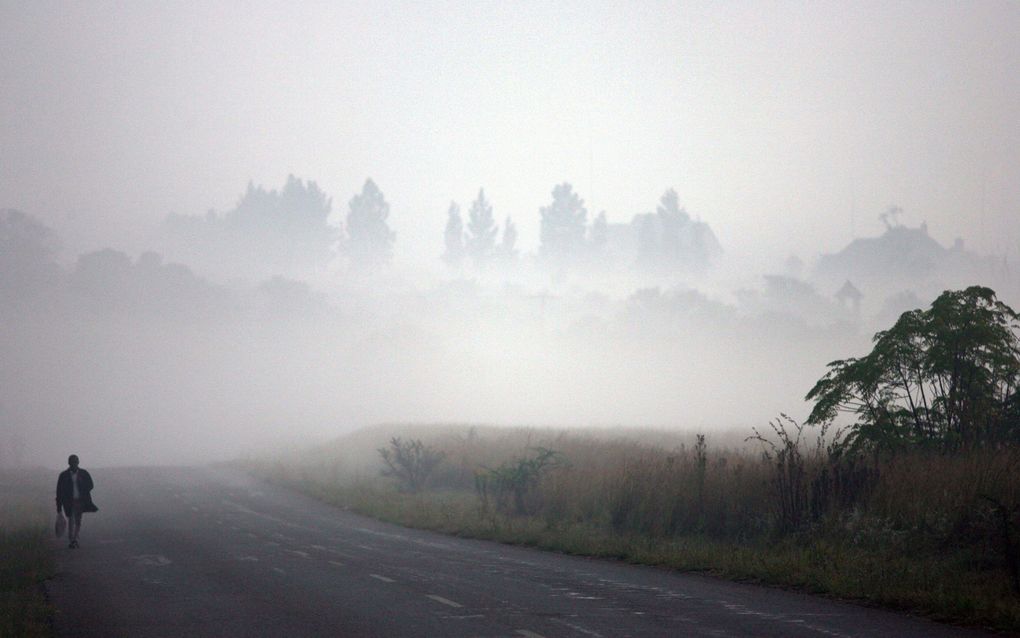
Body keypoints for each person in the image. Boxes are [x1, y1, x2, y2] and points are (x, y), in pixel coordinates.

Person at [56, 454, 97, 549]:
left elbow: (91, 485)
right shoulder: (63, 475)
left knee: (77, 520)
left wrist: (83, 490)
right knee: (71, 519)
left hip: (80, 500)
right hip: (69, 501)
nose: (74, 464)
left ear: (78, 463)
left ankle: (74, 539)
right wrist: (59, 508)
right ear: (69, 463)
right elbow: (59, 491)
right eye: (72, 462)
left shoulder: (84, 473)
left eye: (75, 462)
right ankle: (72, 539)